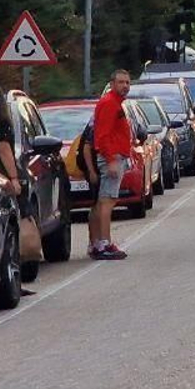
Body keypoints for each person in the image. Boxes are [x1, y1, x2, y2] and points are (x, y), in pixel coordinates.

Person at [89, 69, 134, 261]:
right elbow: (102, 136)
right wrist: (111, 160)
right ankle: (104, 244)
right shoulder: (109, 104)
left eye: (127, 83)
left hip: (115, 156)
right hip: (111, 157)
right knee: (107, 201)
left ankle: (97, 243)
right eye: (121, 82)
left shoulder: (114, 103)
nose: (125, 86)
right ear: (112, 83)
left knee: (103, 201)